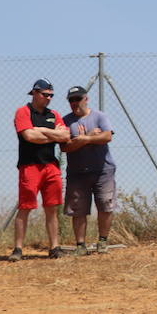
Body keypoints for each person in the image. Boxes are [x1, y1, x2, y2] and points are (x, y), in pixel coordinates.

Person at [11, 79, 71, 260]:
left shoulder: (54, 114)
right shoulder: (23, 112)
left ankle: (55, 247)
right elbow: (29, 135)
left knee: (52, 208)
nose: (49, 98)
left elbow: (65, 136)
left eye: (51, 95)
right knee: (25, 207)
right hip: (29, 166)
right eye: (45, 95)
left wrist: (42, 131)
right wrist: (52, 134)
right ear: (35, 93)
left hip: (51, 166)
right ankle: (18, 249)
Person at [61, 86, 116, 255]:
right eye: (71, 100)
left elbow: (107, 137)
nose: (75, 103)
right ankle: (80, 246)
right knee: (78, 209)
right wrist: (90, 138)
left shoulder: (100, 116)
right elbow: (65, 147)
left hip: (103, 169)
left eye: (78, 98)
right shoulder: (65, 121)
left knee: (105, 205)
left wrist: (82, 138)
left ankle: (102, 242)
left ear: (86, 99)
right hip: (77, 172)